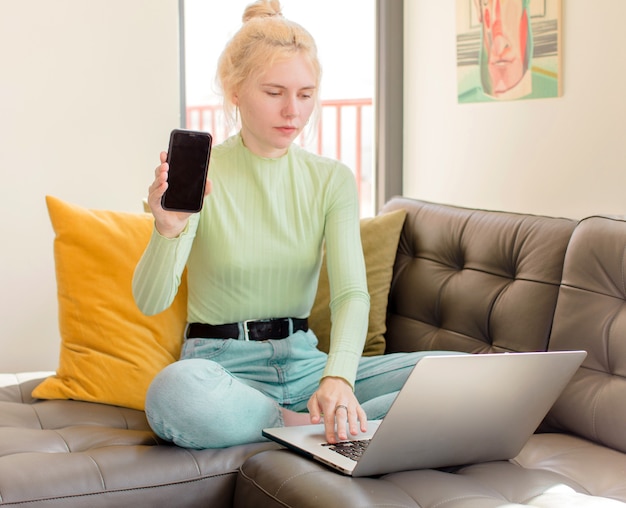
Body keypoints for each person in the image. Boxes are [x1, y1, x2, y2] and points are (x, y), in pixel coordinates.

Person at [133, 0, 452, 450]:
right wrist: (167, 231)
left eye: (305, 94)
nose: (293, 112)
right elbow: (150, 301)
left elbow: (350, 294)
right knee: (173, 394)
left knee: (457, 374)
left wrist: (338, 377)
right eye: (274, 92)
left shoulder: (331, 179)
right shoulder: (203, 173)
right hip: (223, 371)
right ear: (235, 90)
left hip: (308, 367)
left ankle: (323, 417)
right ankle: (305, 425)